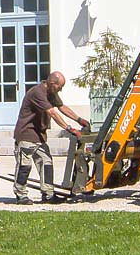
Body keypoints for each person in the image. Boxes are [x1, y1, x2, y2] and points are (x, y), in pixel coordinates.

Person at [12, 71, 90, 203]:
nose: (61, 90)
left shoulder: (51, 92)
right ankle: (21, 195)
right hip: (26, 134)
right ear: (52, 83)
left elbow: (62, 107)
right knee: (24, 166)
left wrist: (79, 120)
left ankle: (48, 194)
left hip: (39, 135)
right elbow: (52, 112)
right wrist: (69, 128)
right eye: (60, 87)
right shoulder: (37, 93)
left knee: (46, 163)